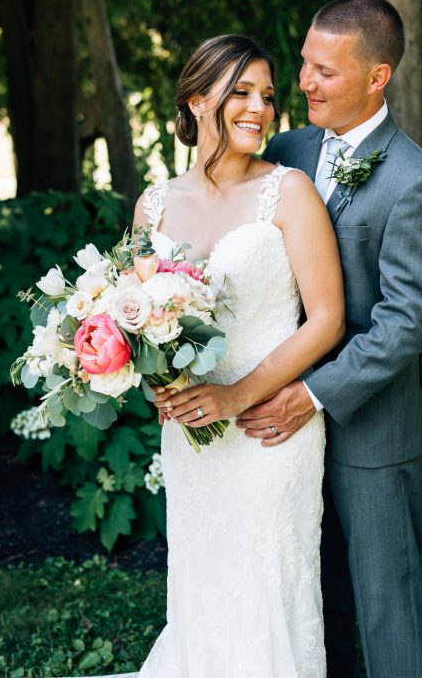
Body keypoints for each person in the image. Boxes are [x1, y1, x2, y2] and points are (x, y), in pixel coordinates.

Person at [235, 0, 422, 678]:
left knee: (386, 593)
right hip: (282, 417)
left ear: (377, 77)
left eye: (324, 71)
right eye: (303, 63)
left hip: (369, 422)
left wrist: (313, 392)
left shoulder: (416, 183)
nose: (302, 82)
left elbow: (405, 320)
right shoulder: (288, 150)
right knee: (308, 579)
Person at [133, 34, 344, 677]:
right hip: (192, 438)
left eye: (269, 95)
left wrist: (234, 395)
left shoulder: (291, 192)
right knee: (204, 579)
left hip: (268, 429)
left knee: (269, 583)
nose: (261, 108)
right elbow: (140, 325)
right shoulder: (155, 204)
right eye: (241, 92)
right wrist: (154, 386)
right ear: (198, 102)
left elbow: (328, 319)